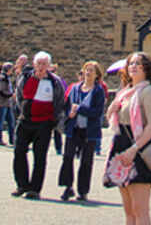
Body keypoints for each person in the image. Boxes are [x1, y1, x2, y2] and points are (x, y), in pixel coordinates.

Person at [105, 51, 151, 225]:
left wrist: (133, 149)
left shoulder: (149, 92)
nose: (134, 67)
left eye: (139, 63)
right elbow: (112, 118)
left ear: (147, 68)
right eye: (131, 63)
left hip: (139, 149)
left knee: (140, 209)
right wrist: (113, 107)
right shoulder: (125, 93)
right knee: (129, 210)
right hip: (121, 146)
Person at [11, 50, 66, 199]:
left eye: (44, 64)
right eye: (38, 63)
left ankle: (34, 189)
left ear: (49, 66)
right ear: (34, 64)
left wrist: (54, 120)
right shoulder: (26, 78)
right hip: (26, 120)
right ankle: (22, 185)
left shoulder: (55, 82)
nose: (41, 67)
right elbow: (20, 95)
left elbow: (60, 100)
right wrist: (22, 111)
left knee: (40, 156)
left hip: (44, 123)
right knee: (19, 151)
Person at [59, 60, 106, 202]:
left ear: (97, 74)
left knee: (86, 161)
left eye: (91, 70)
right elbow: (67, 105)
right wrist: (69, 114)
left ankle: (83, 190)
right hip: (74, 128)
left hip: (89, 131)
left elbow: (98, 112)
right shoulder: (74, 88)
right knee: (67, 157)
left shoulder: (98, 91)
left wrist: (80, 109)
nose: (88, 72)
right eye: (86, 69)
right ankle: (68, 187)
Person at [0, 61, 16, 146]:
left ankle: (12, 140)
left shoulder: (7, 77)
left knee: (11, 122)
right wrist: (11, 95)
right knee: (0, 122)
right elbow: (1, 91)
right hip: (2, 103)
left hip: (8, 104)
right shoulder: (2, 78)